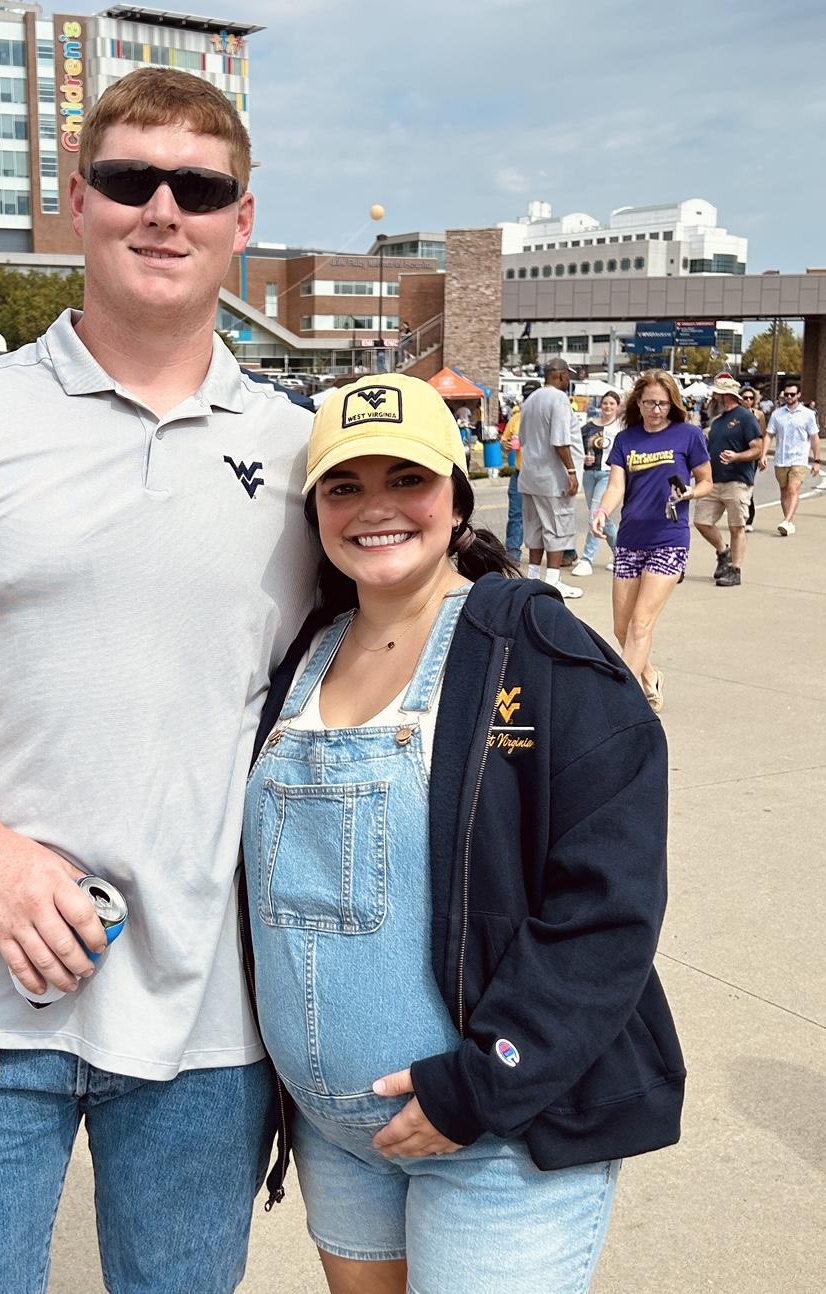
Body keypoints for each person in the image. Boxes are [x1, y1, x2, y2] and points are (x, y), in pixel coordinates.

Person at [0, 68, 316, 1291]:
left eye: (200, 187)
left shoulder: (303, 453)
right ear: (76, 200)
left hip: (206, 1017)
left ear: (243, 219)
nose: (162, 210)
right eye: (131, 180)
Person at [245, 372, 683, 1293]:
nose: (376, 509)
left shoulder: (546, 657)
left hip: (498, 1139)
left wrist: (480, 1086)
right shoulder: (301, 657)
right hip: (341, 1140)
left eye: (406, 479)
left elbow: (609, 906)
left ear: (457, 491)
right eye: (344, 485)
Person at [592, 369, 712, 711]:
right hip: (631, 539)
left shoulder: (688, 435)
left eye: (662, 403)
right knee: (621, 628)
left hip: (669, 539)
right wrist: (602, 512)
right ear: (638, 403)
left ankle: (623, 704)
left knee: (641, 623)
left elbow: (706, 481)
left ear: (672, 403)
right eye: (649, 403)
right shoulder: (626, 439)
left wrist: (690, 492)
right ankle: (649, 677)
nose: (656, 410)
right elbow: (616, 485)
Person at [518, 358, 582, 599]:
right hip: (552, 478)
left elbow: (523, 438)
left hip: (530, 474)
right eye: (568, 375)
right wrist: (572, 471)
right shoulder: (559, 399)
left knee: (535, 527)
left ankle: (533, 576)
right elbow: (560, 441)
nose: (569, 380)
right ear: (561, 375)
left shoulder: (531, 399)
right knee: (558, 528)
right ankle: (553, 581)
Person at [693, 375, 764, 588]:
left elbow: (757, 448)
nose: (713, 397)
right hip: (714, 480)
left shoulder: (745, 417)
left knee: (736, 526)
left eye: (716, 394)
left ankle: (735, 569)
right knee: (702, 521)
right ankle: (723, 552)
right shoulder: (718, 421)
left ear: (726, 396)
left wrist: (737, 456)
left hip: (737, 480)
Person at [569, 390, 621, 577]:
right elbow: (577, 450)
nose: (607, 407)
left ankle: (587, 559)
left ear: (617, 406)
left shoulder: (621, 428)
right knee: (603, 520)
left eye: (611, 404)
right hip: (590, 474)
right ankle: (622, 554)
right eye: (605, 403)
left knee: (595, 515)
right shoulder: (588, 427)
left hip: (609, 474)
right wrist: (583, 459)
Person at [766, 381, 821, 536]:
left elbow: (815, 438)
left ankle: (786, 520)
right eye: (786, 394)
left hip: (799, 459)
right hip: (781, 459)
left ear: (799, 395)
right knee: (784, 492)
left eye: (792, 394)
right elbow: (769, 435)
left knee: (792, 489)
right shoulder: (777, 414)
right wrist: (763, 454)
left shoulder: (808, 414)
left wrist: (816, 460)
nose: (789, 397)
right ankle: (788, 521)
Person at [503, 381, 537, 560]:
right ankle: (513, 553)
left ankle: (566, 551)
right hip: (520, 473)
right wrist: (507, 446)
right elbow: (504, 443)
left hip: (541, 474)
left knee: (547, 515)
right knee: (516, 513)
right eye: (527, 396)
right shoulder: (516, 418)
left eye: (533, 396)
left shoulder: (546, 416)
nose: (529, 400)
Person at [739, 387, 767, 533]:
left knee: (747, 485)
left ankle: (748, 518)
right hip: (738, 454)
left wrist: (762, 456)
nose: (748, 401)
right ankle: (740, 516)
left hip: (752, 456)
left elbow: (762, 436)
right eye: (745, 398)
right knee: (737, 486)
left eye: (751, 398)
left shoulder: (759, 415)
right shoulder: (735, 415)